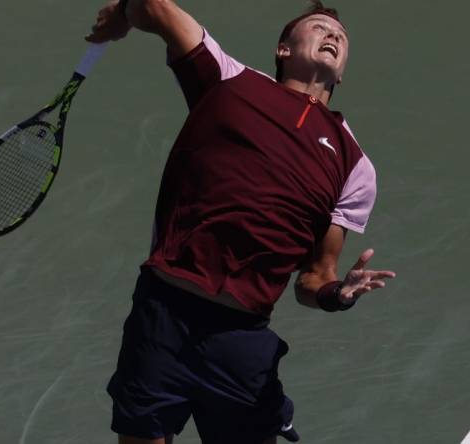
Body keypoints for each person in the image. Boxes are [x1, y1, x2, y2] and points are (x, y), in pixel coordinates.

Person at [86, 0, 396, 443]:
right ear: (283, 49)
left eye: (341, 38)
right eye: (319, 28)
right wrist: (123, 13)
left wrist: (336, 294)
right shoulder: (228, 81)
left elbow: (313, 279)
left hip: (241, 338)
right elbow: (155, 6)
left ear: (342, 72)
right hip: (165, 311)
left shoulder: (354, 166)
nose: (333, 37)